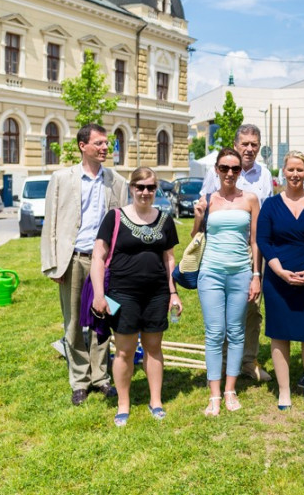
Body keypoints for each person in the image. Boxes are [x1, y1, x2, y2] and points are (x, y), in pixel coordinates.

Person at [41, 123, 129, 406]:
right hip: (74, 259)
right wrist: (53, 264)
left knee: (102, 320)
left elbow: (121, 225)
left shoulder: (116, 181)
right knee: (75, 323)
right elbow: (51, 223)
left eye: (108, 143)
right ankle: (79, 379)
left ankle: (101, 376)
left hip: (103, 263)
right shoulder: (62, 178)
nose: (106, 148)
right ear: (83, 146)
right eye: (99, 143)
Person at [90, 167, 181, 426]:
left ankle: (156, 400)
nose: (145, 192)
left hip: (156, 294)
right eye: (140, 187)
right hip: (122, 294)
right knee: (124, 351)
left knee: (153, 348)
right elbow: (98, 256)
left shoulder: (165, 220)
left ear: (156, 190)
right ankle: (123, 403)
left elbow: (169, 258)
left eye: (150, 187)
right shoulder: (115, 217)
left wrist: (173, 292)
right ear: (131, 188)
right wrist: (99, 294)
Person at [257, 151, 304, 411]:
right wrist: (278, 271)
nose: (295, 174)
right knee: (280, 335)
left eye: (300, 170)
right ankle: (284, 391)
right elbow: (264, 241)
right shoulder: (270, 204)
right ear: (283, 172)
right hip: (278, 280)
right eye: (290, 169)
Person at [200, 125, 273, 382]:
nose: (250, 148)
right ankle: (220, 363)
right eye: (245, 143)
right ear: (236, 143)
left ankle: (247, 361)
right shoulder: (216, 172)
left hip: (251, 252)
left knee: (252, 310)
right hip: (219, 255)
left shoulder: (264, 175)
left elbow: (265, 218)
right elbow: (204, 211)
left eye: (254, 144)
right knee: (219, 313)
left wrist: (258, 266)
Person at [192, 149, 261, 416]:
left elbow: (255, 241)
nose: (230, 173)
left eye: (235, 169)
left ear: (240, 172)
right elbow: (193, 236)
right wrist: (198, 216)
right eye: (224, 168)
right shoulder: (207, 200)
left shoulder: (251, 199)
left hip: (241, 273)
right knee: (214, 333)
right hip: (210, 272)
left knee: (236, 332)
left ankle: (230, 390)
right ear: (216, 170)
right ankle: (214, 395)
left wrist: (256, 275)